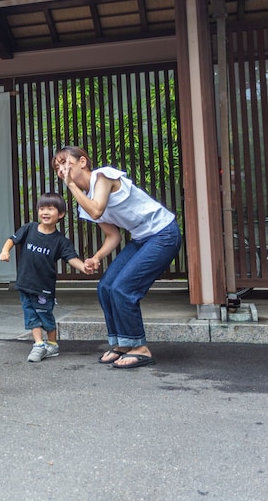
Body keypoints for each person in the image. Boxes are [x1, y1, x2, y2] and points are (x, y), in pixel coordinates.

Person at [54, 145, 182, 369]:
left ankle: (140, 348)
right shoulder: (84, 201)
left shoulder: (103, 176)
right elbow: (113, 236)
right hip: (141, 238)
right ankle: (123, 343)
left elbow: (97, 210)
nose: (61, 170)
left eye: (65, 163)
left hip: (163, 233)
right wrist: (96, 257)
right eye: (57, 167)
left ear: (82, 162)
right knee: (106, 286)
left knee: (123, 288)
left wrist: (71, 185)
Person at [0, 192, 86, 363]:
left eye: (50, 209)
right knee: (30, 315)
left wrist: (84, 267)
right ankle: (38, 344)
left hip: (44, 287)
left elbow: (71, 258)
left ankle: (52, 344)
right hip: (24, 283)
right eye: (42, 208)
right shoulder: (29, 228)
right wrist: (4, 251)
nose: (45, 212)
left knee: (45, 315)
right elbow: (12, 240)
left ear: (60, 214)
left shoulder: (60, 241)